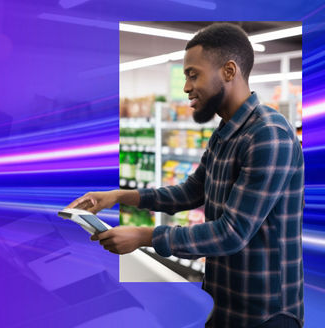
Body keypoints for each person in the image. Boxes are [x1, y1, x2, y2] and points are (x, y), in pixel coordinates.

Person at [67, 23, 304, 328]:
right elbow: (191, 192)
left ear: (229, 71)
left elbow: (233, 232)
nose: (186, 87)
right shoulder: (225, 131)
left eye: (193, 74)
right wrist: (118, 196)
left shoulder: (269, 135)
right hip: (224, 298)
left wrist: (143, 236)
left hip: (265, 312)